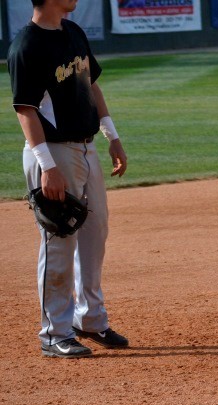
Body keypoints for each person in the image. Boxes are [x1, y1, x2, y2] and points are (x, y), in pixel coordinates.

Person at [8, 0, 130, 358]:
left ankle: (89, 319)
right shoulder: (27, 45)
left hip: (87, 148)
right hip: (53, 152)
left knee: (94, 234)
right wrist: (47, 167)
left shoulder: (73, 32)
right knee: (59, 240)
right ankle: (54, 332)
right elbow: (25, 109)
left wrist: (112, 136)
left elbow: (92, 86)